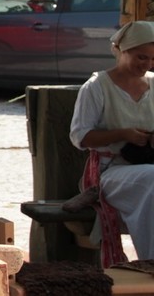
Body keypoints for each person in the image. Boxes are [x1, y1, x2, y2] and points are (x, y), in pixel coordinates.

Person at [69, 20, 154, 261]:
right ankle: (150, 263)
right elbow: (80, 137)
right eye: (141, 57)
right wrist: (123, 134)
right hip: (109, 172)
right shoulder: (97, 87)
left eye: (152, 59)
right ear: (121, 50)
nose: (147, 64)